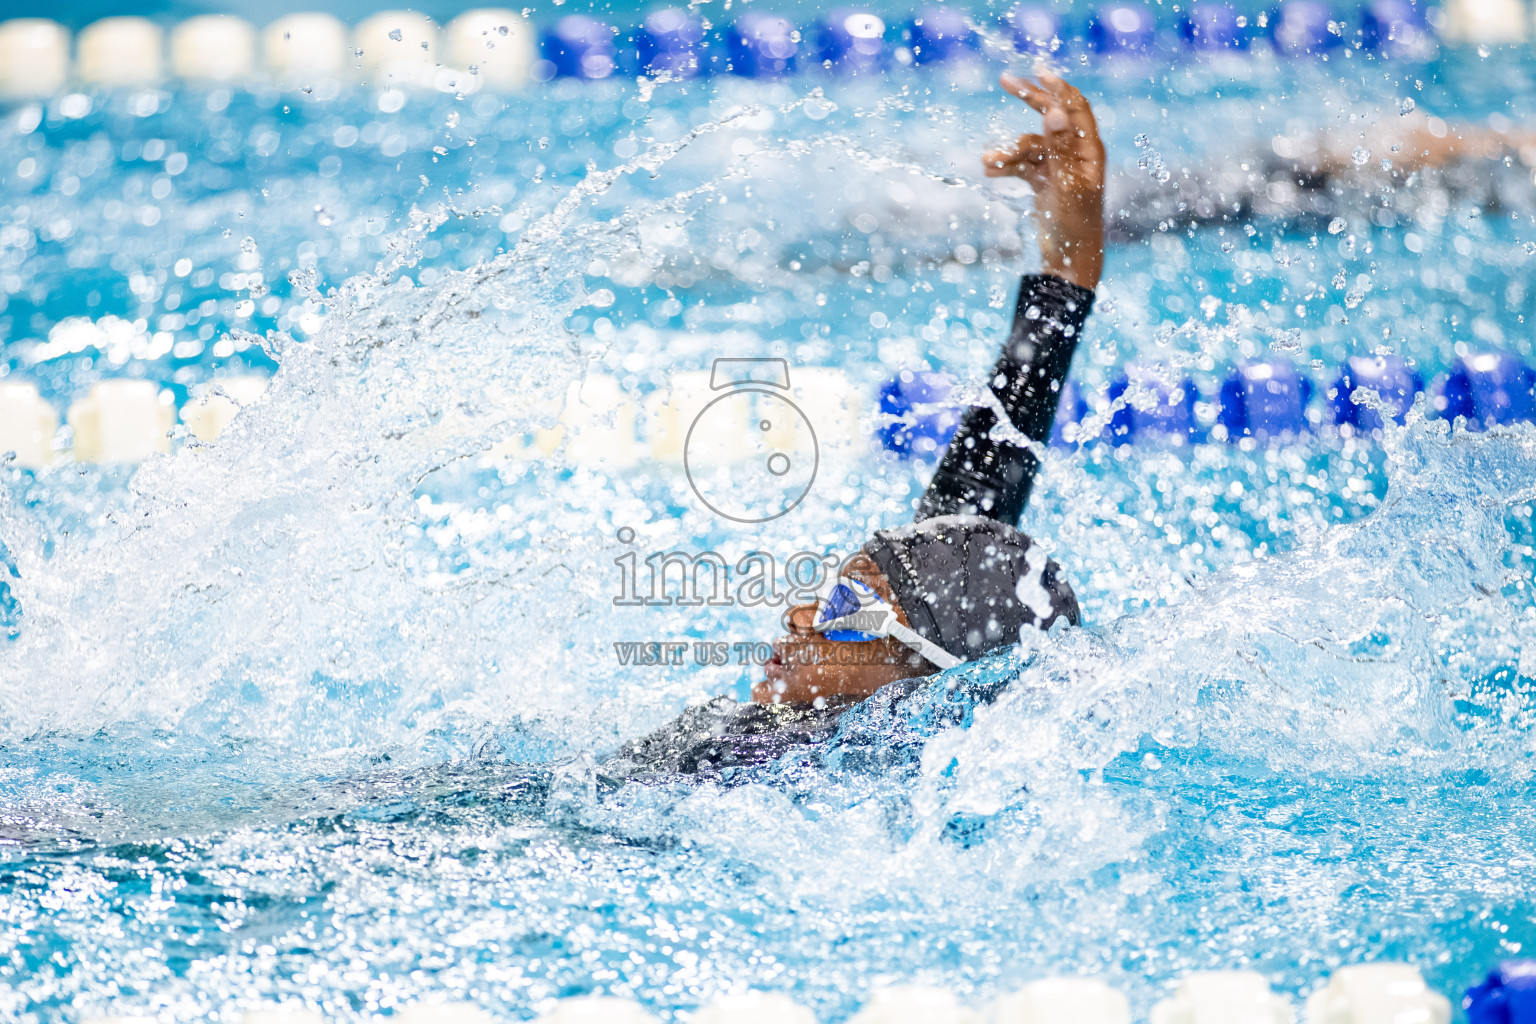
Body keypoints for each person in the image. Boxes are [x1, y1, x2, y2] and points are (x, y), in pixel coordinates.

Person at [605, 69, 1106, 780]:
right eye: (836, 592)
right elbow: (962, 537)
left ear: (929, 677)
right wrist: (1068, 276)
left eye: (849, 606)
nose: (800, 615)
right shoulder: (892, 718)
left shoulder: (755, 760)